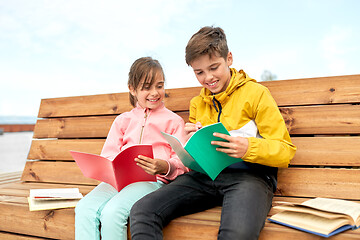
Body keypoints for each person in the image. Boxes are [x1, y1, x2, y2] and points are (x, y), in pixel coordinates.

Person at [130, 26, 297, 240]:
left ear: (229, 58)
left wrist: (248, 148)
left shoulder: (256, 94)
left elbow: (285, 151)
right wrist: (189, 144)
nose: (208, 77)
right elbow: (194, 159)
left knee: (236, 234)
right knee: (143, 211)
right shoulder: (198, 103)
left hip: (249, 177)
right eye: (199, 72)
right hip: (204, 177)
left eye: (214, 67)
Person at [75, 57, 188, 240]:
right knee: (84, 208)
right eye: (146, 87)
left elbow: (182, 163)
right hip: (118, 182)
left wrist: (165, 166)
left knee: (112, 212)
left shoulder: (174, 121)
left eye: (159, 86)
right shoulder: (123, 120)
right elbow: (109, 154)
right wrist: (111, 167)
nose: (154, 93)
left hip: (152, 181)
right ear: (132, 88)